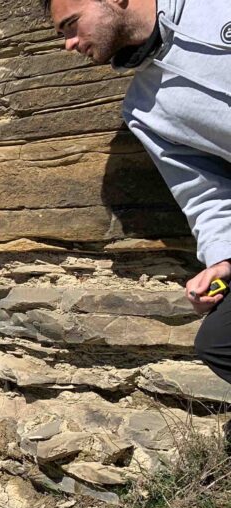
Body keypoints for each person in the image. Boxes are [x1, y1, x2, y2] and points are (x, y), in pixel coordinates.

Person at [44, 0, 231, 382]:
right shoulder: (144, 110)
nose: (68, 43)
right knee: (220, 340)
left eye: (72, 25)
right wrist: (222, 259)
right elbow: (204, 193)